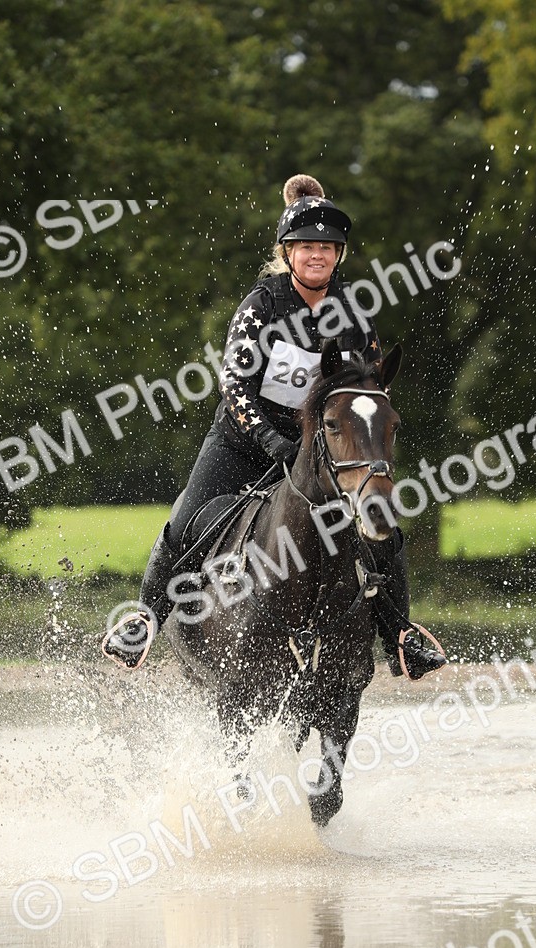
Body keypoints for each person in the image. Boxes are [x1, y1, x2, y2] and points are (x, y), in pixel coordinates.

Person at [103, 174, 446, 680]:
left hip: (321, 451)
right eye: (307, 247)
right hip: (245, 441)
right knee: (186, 520)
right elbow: (234, 384)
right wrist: (271, 440)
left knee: (381, 524)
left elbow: (371, 387)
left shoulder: (355, 314)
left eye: (326, 248)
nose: (317, 255)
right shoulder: (261, 306)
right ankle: (144, 619)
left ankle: (400, 634)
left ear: (338, 255)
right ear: (288, 253)